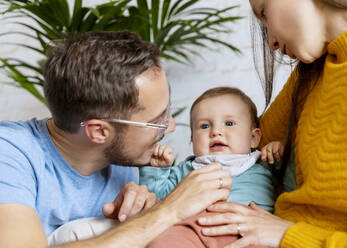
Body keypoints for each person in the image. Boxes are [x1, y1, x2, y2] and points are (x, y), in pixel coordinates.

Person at [0, 31, 233, 248]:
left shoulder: (120, 162)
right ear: (99, 132)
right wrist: (167, 211)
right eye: (157, 120)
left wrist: (139, 216)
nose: (170, 126)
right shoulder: (10, 153)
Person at [191, 1, 347, 247]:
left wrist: (288, 236)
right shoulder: (314, 71)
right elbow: (246, 143)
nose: (271, 43)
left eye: (264, 13)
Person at [140, 86, 281, 248]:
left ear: (254, 138)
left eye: (229, 123)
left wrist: (280, 151)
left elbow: (295, 183)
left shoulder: (265, 163)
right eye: (204, 126)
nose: (216, 131)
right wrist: (157, 169)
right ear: (192, 139)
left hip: (249, 233)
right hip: (194, 230)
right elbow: (158, 198)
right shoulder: (186, 170)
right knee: (164, 241)